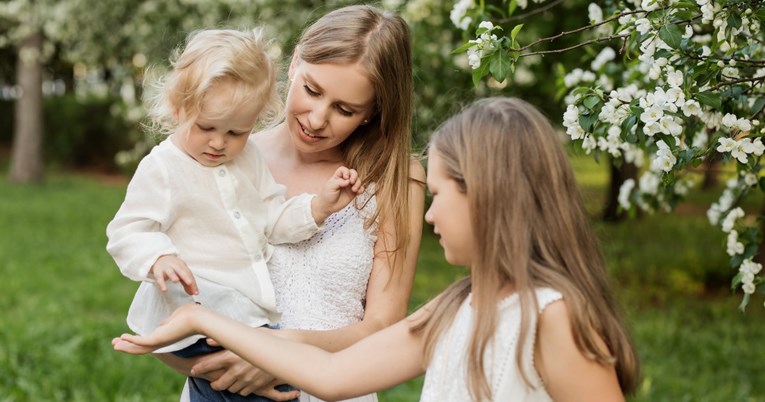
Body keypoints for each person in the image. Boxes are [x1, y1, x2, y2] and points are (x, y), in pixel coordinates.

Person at [114, 96, 641, 402]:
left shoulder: (553, 317)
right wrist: (204, 321)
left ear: (490, 197)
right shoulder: (459, 304)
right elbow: (333, 377)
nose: (429, 215)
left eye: (439, 195)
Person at [148, 5, 425, 402]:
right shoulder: (222, 160)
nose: (316, 119)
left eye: (345, 109)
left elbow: (383, 326)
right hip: (226, 390)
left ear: (374, 111)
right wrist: (230, 364)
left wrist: (277, 353)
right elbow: (171, 302)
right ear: (294, 62)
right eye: (312, 90)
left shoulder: (395, 177)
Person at [106, 28, 364, 401]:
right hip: (192, 314)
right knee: (269, 377)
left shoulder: (248, 160)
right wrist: (157, 256)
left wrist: (318, 207)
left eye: (236, 132)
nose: (218, 142)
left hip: (241, 315)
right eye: (206, 127)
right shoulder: (163, 166)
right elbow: (127, 230)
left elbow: (273, 220)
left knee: (274, 379)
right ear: (178, 106)